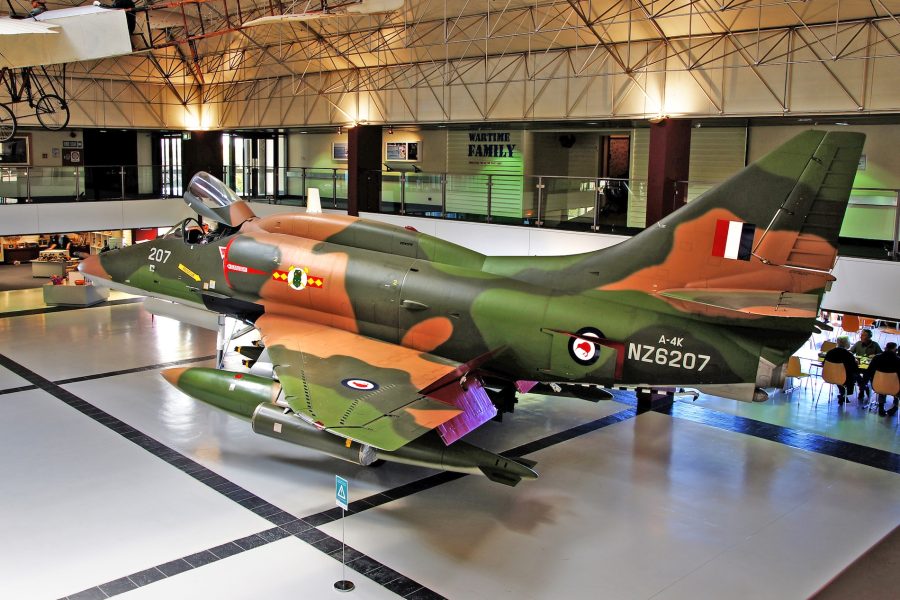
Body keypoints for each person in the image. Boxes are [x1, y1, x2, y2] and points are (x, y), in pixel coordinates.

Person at [863, 342, 900, 416]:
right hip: (894, 388)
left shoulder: (876, 358)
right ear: (895, 350)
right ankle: (895, 406)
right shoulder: (898, 360)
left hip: (877, 386)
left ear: (885, 348)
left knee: (882, 384)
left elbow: (869, 372)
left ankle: (881, 407)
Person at [824, 336, 858, 404]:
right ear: (847, 344)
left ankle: (842, 394)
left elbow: (824, 364)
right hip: (844, 378)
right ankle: (844, 394)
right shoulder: (849, 355)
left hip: (829, 376)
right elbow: (854, 368)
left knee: (840, 377)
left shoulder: (830, 352)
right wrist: (856, 362)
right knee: (854, 375)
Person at [850, 329, 882, 398]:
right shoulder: (858, 343)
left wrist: (875, 356)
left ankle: (862, 390)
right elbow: (850, 353)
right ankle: (864, 387)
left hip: (869, 367)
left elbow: (881, 355)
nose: (861, 336)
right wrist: (854, 358)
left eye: (864, 335)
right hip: (859, 365)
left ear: (869, 337)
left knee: (867, 374)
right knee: (853, 372)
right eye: (861, 335)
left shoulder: (875, 345)